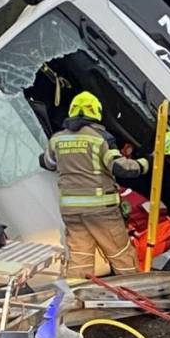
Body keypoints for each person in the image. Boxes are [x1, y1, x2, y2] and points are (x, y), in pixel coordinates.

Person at [41, 91, 149, 278]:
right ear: (96, 112)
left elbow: (47, 163)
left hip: (71, 211)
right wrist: (145, 163)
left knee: (79, 259)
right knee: (122, 255)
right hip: (101, 211)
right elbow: (121, 168)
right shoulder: (101, 138)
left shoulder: (57, 139)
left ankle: (74, 293)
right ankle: (134, 291)